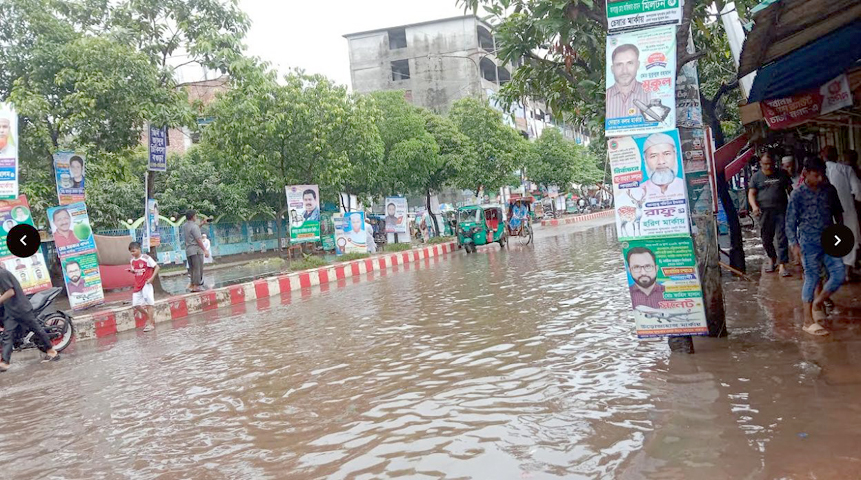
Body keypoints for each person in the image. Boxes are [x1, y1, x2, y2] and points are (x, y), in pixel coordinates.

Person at [786, 158, 846, 336]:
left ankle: (818, 303)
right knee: (812, 277)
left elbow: (838, 214)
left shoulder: (829, 190)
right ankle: (807, 321)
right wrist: (794, 244)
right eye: (816, 175)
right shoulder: (797, 194)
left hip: (830, 239)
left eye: (822, 174)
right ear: (805, 173)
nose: (820, 178)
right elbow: (790, 222)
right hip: (808, 242)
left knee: (839, 274)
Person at [0, 264, 59, 371]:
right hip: (11, 310)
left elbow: (10, 292)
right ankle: (5, 362)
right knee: (7, 335)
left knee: (36, 329)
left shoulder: (2, 273)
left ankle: (51, 351)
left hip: (21, 309)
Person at [748, 150, 793, 276]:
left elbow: (790, 190)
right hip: (764, 212)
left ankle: (783, 264)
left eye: (770, 164)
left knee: (782, 237)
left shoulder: (782, 174)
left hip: (781, 210)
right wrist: (754, 206)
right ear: (760, 163)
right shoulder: (756, 177)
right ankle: (772, 258)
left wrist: (795, 205)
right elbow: (751, 194)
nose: (768, 166)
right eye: (765, 164)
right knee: (766, 239)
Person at [824, 146, 861, 279]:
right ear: (837, 156)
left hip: (828, 212)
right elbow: (858, 191)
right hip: (847, 210)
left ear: (823, 157)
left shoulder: (820, 171)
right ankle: (847, 272)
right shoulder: (846, 169)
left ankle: (835, 272)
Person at [606, 44, 651, 119]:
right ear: (612, 69)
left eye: (630, 63)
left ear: (637, 65)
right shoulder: (604, 97)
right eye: (619, 64)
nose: (624, 71)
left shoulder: (650, 94)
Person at [638, 133, 685, 200]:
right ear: (645, 160)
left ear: (675, 155)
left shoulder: (685, 185)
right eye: (653, 156)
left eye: (666, 154)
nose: (661, 162)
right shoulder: (637, 192)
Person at [128, 242, 159, 332]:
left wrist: (151, 278)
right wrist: (132, 271)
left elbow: (157, 267)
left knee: (149, 303)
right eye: (131, 252)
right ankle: (148, 317)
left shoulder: (146, 258)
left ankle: (151, 324)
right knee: (136, 305)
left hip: (146, 284)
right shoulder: (132, 261)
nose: (132, 253)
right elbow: (136, 270)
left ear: (139, 249)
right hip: (137, 285)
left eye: (134, 251)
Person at [181, 210, 209, 292]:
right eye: (195, 216)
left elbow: (193, 231)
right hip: (196, 250)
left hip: (189, 250)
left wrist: (201, 224)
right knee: (198, 268)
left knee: (192, 268)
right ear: (193, 217)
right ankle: (197, 286)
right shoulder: (194, 226)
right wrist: (205, 250)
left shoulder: (185, 226)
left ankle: (193, 285)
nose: (196, 217)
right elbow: (198, 239)